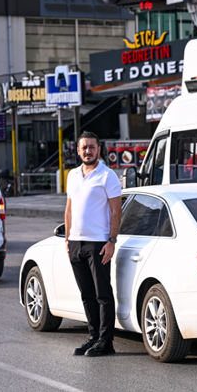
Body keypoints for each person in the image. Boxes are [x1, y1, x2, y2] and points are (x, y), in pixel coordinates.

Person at [65, 131, 122, 357]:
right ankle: (93, 336)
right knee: (86, 294)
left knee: (102, 294)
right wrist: (67, 239)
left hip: (98, 243)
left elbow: (116, 212)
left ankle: (106, 341)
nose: (88, 151)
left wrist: (112, 241)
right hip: (76, 244)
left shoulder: (108, 176)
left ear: (99, 150)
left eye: (92, 147)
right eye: (84, 147)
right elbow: (69, 210)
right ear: (78, 151)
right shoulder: (72, 175)